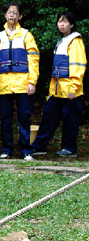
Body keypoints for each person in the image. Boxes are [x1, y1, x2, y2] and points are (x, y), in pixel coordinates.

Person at [32, 11, 87, 158]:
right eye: (60, 21)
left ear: (72, 24)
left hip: (70, 89)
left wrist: (73, 87)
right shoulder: (62, 41)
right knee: (49, 117)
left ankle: (69, 148)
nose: (61, 24)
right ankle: (39, 146)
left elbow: (78, 66)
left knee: (70, 120)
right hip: (57, 90)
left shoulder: (75, 41)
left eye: (65, 22)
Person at [0, 2, 39, 160]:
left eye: (15, 12)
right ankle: (6, 149)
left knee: (24, 117)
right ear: (5, 15)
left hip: (22, 83)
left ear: (20, 16)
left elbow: (33, 60)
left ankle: (26, 150)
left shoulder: (26, 35)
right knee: (5, 117)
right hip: (3, 83)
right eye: (9, 12)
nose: (11, 15)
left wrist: (32, 81)